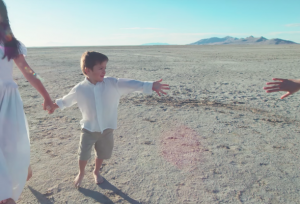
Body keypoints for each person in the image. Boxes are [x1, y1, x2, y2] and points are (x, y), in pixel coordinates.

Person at [52, 51, 170, 188]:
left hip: (107, 128)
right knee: (83, 153)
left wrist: (149, 85)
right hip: (88, 129)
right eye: (100, 68)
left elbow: (131, 84)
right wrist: (53, 106)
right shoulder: (80, 88)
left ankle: (96, 171)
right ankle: (81, 172)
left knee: (102, 152)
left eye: (105, 68)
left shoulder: (112, 83)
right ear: (87, 70)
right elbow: (66, 100)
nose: (104, 71)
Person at [0, 1, 55, 203]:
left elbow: (28, 72)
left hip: (6, 102)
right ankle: (6, 194)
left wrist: (47, 97)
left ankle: (21, 173)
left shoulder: (10, 44)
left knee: (11, 147)